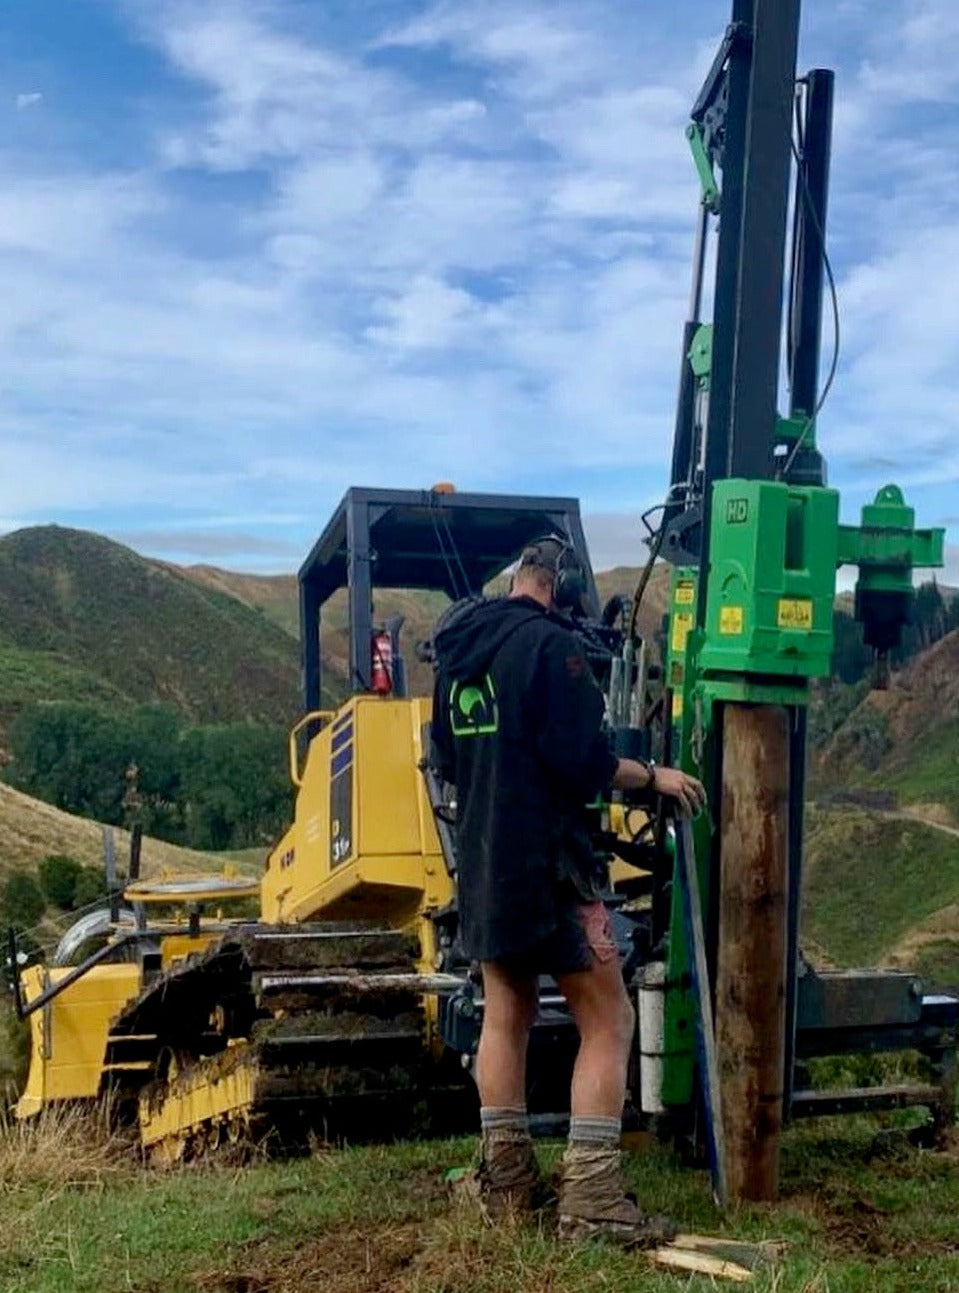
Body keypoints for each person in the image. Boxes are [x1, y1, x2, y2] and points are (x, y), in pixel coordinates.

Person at [430, 535, 706, 1246]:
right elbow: (583, 761)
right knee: (608, 1018)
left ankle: (509, 1183)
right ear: (560, 587)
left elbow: (450, 760)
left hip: (484, 860)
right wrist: (652, 777)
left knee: (505, 1011)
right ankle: (590, 1198)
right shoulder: (554, 650)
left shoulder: (461, 650)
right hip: (552, 865)